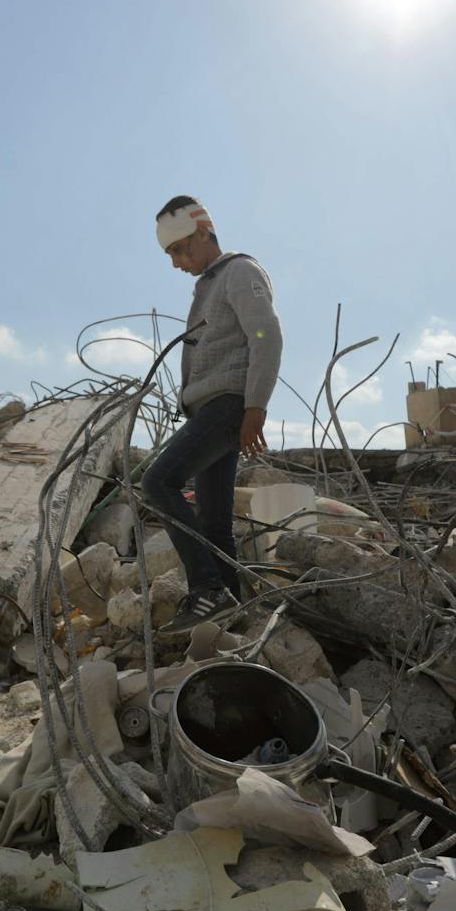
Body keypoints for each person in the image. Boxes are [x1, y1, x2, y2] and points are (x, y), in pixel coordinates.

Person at [143, 195, 283, 633]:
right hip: (212, 407)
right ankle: (231, 614)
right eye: (170, 254)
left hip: (228, 404)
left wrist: (255, 406)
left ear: (203, 233)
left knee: (158, 482)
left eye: (180, 249)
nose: (176, 262)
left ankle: (207, 588)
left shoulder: (239, 272)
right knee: (214, 520)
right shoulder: (211, 282)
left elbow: (267, 335)